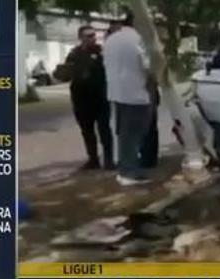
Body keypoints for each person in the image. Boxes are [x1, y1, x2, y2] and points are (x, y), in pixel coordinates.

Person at [103, 11, 154, 186]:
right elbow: (147, 66)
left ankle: (125, 168)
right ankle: (129, 172)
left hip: (116, 93)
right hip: (136, 93)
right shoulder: (139, 40)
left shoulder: (111, 39)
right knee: (134, 135)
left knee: (123, 134)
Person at [56, 26, 114, 171]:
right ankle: (93, 159)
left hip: (100, 97)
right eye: (88, 36)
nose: (92, 38)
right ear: (81, 37)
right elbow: (66, 73)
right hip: (81, 98)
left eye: (93, 35)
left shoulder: (101, 52)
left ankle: (109, 160)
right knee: (87, 131)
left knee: (104, 130)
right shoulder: (74, 54)